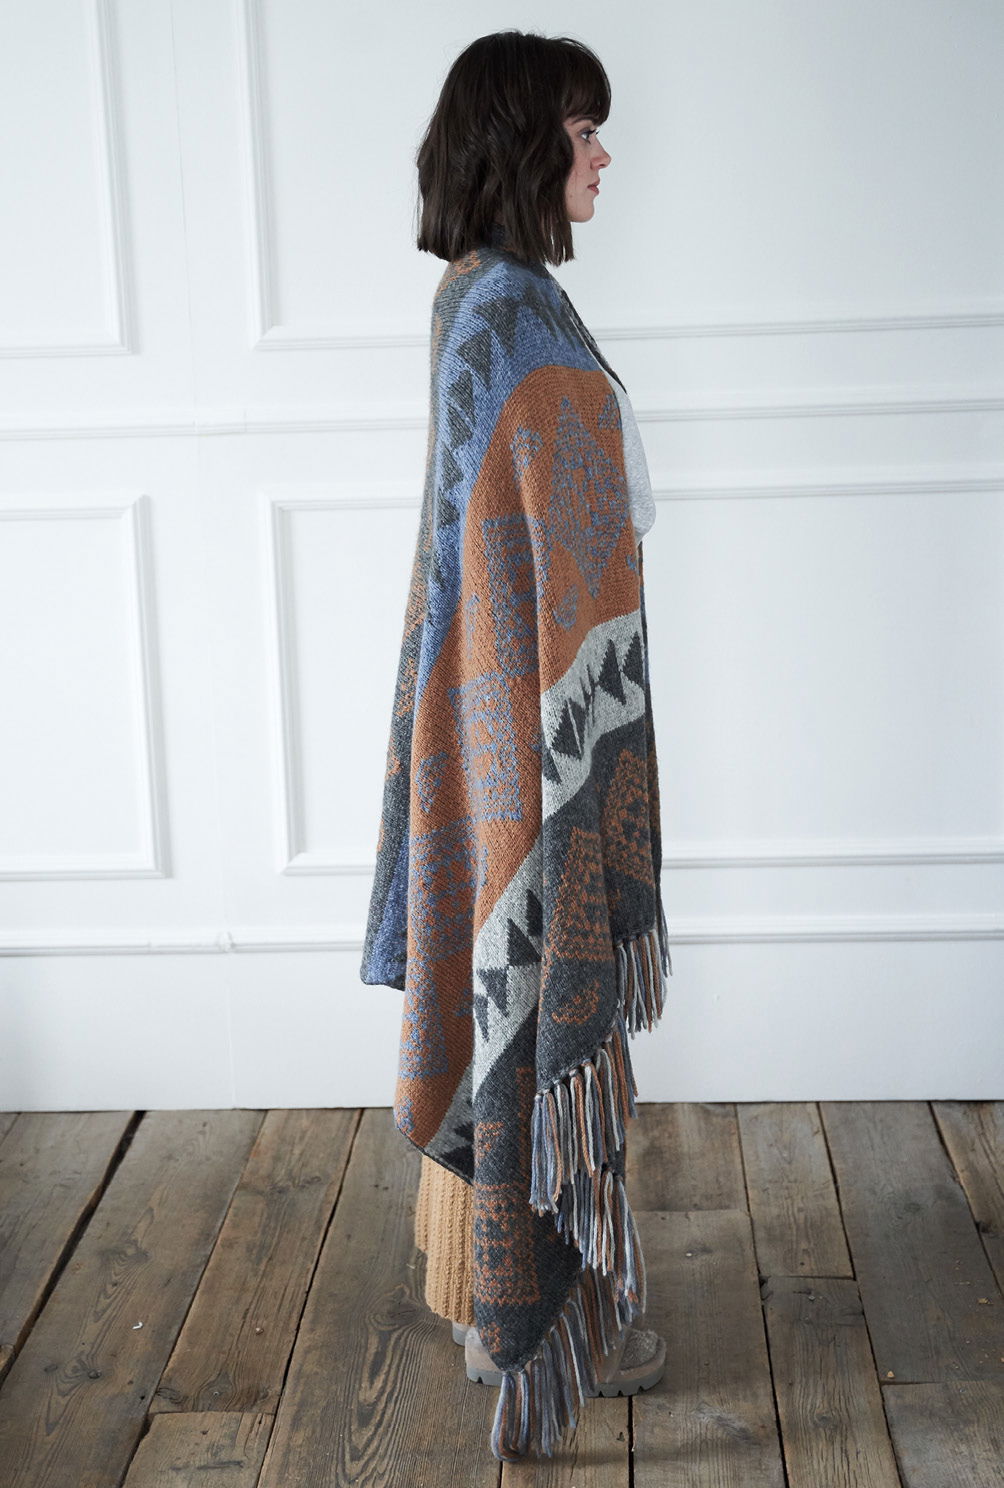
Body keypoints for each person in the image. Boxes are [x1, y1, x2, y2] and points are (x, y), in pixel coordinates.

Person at [360, 29, 673, 1461]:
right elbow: (525, 543)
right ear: (523, 145)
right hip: (521, 727)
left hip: (516, 707)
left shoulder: (498, 298)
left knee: (516, 986)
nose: (603, 152)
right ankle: (528, 1313)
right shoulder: (504, 316)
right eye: (583, 129)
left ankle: (504, 1291)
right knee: (530, 992)